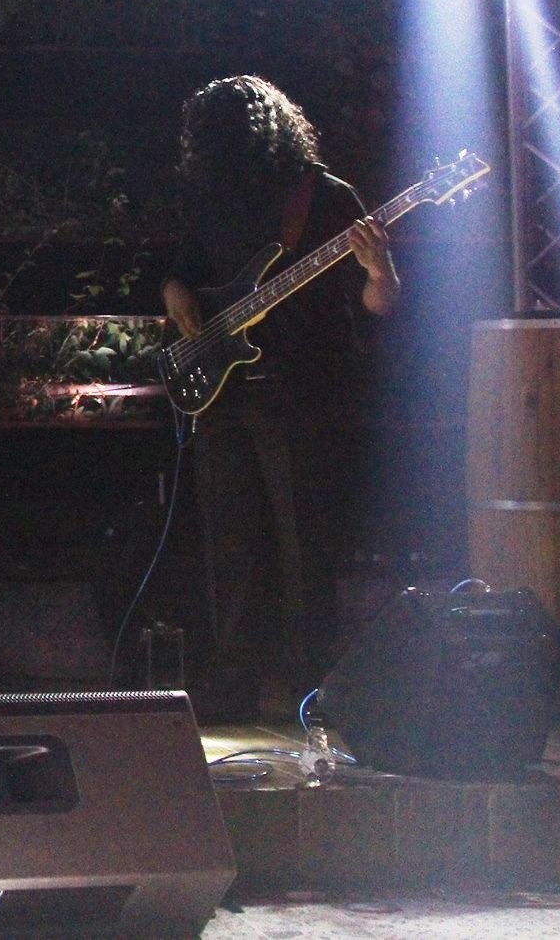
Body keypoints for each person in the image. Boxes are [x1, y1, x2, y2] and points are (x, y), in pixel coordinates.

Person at [161, 75, 399, 722]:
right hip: (224, 393)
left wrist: (379, 268)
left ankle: (312, 690)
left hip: (304, 392)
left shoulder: (325, 198)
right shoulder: (212, 199)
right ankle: (232, 685)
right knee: (231, 543)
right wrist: (175, 293)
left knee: (304, 546)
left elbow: (379, 304)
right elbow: (182, 272)